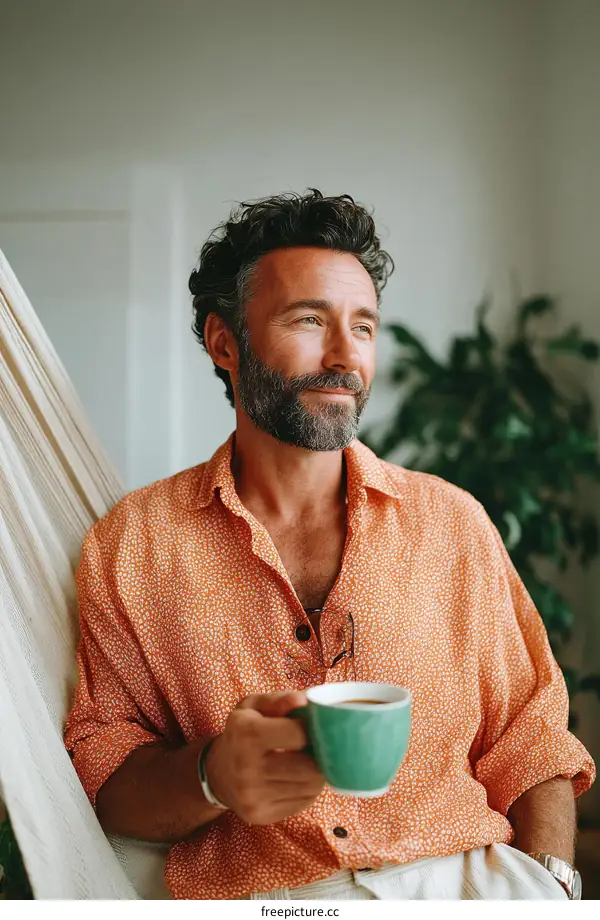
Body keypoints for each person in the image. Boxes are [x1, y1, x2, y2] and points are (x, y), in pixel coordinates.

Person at [64, 189, 595, 900]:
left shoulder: (452, 524)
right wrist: (211, 774)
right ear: (226, 343)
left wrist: (554, 885)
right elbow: (107, 773)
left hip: (466, 885)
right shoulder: (131, 546)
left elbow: (530, 739)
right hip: (266, 900)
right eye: (309, 320)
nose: (346, 356)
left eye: (365, 326)